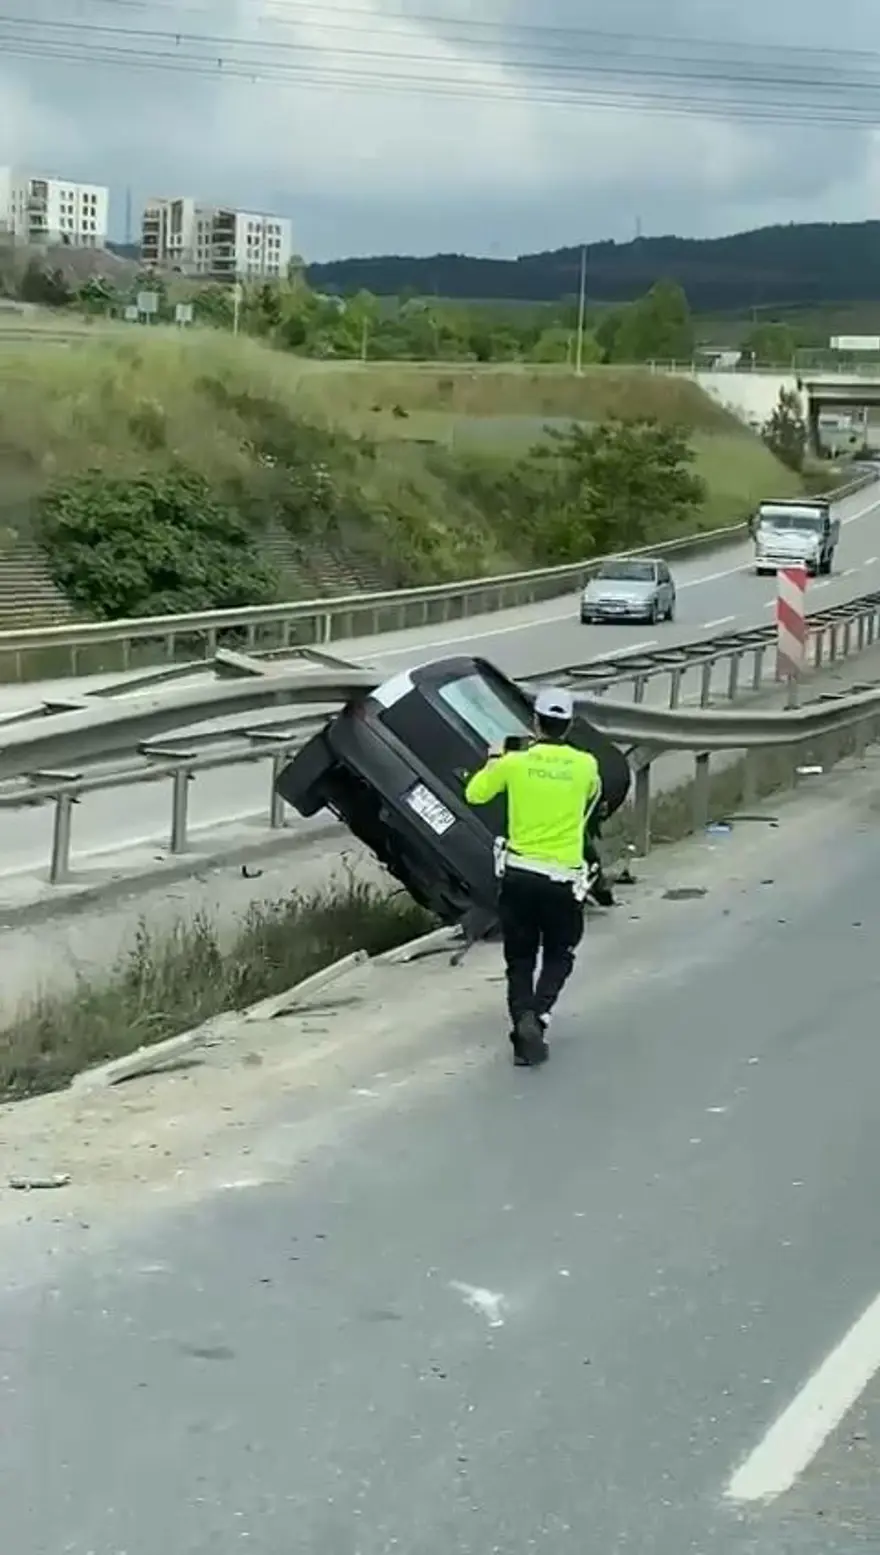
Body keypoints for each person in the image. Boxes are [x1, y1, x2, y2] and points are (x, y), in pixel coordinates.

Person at [464, 687, 602, 1067]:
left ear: (535, 723)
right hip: (562, 879)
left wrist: (494, 760)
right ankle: (538, 1015)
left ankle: (523, 1019)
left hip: (519, 875)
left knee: (520, 957)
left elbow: (474, 794)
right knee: (560, 951)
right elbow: (592, 801)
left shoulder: (514, 763)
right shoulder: (586, 765)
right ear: (568, 725)